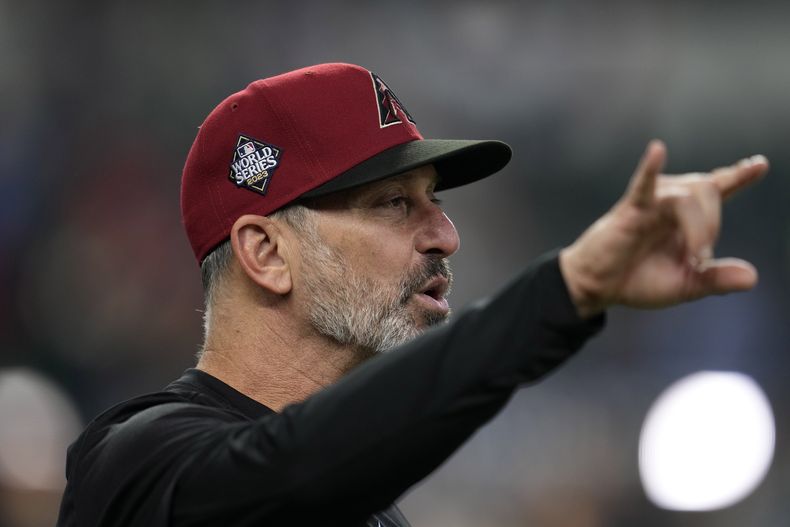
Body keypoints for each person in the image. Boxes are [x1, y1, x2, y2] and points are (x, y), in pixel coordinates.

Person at [56, 63, 768, 527]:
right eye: (395, 204)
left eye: (435, 200)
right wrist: (565, 289)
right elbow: (292, 470)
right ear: (266, 253)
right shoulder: (136, 466)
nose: (446, 235)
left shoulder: (373, 502)